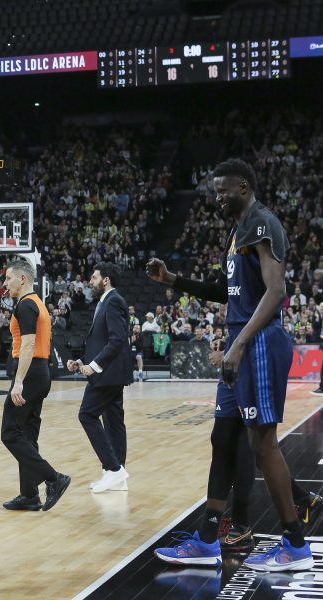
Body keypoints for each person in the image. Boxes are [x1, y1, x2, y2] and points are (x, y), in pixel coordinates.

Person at [150, 158, 315, 570]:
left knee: (263, 443)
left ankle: (295, 544)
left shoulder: (262, 223)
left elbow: (275, 292)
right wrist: (174, 280)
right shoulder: (236, 232)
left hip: (256, 343)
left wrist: (238, 345)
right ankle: (207, 539)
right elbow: (227, 292)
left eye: (223, 190)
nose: (216, 197)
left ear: (243, 187)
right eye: (215, 190)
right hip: (240, 343)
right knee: (222, 439)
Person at [0, 259, 71, 511]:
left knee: (9, 433)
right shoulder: (38, 303)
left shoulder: (26, 305)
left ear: (23, 279)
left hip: (29, 373)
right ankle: (29, 494)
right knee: (27, 435)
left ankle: (54, 478)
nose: (5, 283)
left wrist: (18, 382)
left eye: (8, 278)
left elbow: (28, 345)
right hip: (41, 372)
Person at [66, 263, 132, 493]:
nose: (90, 282)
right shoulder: (105, 301)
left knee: (86, 414)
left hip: (108, 373)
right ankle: (116, 476)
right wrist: (82, 362)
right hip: (111, 373)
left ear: (105, 280)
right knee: (114, 422)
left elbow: (117, 339)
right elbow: (101, 341)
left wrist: (94, 366)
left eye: (94, 278)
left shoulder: (113, 300)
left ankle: (114, 469)